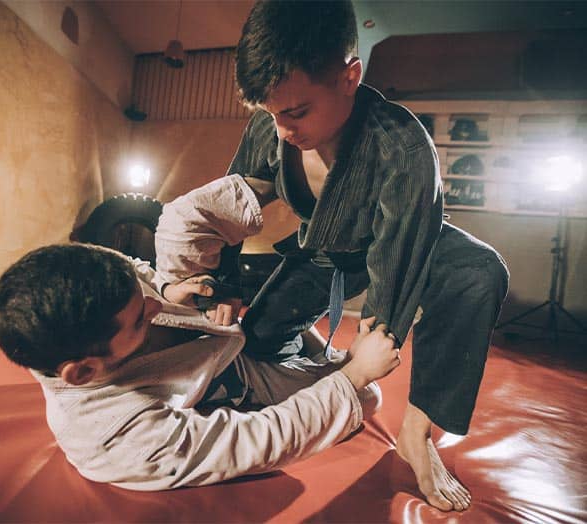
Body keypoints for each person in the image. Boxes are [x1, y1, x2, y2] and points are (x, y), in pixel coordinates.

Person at [153, 0, 509, 512]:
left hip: (413, 239)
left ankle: (418, 432)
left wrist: (377, 333)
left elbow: (397, 252)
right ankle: (313, 358)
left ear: (350, 77)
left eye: (296, 112)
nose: (282, 129)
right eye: (271, 114)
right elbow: (228, 208)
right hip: (326, 246)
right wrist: (222, 287)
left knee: (478, 272)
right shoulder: (269, 130)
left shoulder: (402, 145)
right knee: (255, 341)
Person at [0, 243, 400, 491]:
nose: (154, 308)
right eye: (139, 319)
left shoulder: (93, 284)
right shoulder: (115, 439)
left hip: (226, 336)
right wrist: (353, 374)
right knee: (368, 397)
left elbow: (135, 269)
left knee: (315, 261)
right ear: (82, 372)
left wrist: (169, 289)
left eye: (146, 299)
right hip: (240, 382)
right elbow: (259, 440)